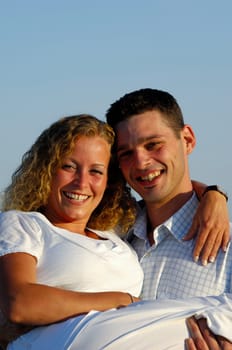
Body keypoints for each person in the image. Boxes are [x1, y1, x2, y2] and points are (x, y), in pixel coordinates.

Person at [0, 113, 230, 350]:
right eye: (68, 166)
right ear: (45, 170)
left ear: (109, 181)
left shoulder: (116, 231)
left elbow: (169, 198)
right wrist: (120, 301)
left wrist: (214, 195)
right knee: (219, 309)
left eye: (96, 171)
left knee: (216, 311)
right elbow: (20, 303)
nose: (81, 183)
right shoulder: (23, 225)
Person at [105, 88, 232, 347]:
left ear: (187, 140)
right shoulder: (107, 238)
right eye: (126, 153)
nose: (141, 162)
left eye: (153, 145)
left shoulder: (227, 249)